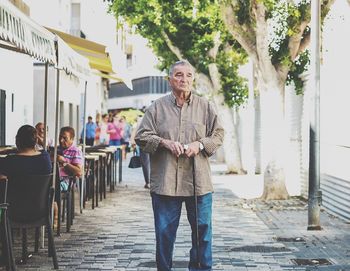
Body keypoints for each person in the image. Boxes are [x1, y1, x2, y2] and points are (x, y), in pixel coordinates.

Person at [135, 60, 224, 271]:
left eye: (189, 75)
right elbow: (141, 136)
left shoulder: (206, 106)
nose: (184, 79)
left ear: (193, 79)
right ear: (169, 80)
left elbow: (218, 134)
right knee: (164, 236)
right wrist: (164, 143)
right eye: (178, 75)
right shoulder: (157, 108)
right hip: (166, 183)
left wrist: (200, 144)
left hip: (198, 183)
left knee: (203, 234)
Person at [56, 126, 83, 191]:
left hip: (65, 182)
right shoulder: (55, 149)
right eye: (60, 137)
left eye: (65, 138)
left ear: (72, 139)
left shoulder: (76, 151)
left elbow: (79, 172)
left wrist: (64, 162)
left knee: (49, 189)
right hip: (52, 179)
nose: (61, 140)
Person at [130, 114, 150, 189]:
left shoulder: (140, 120)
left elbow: (134, 132)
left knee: (145, 163)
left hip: (144, 143)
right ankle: (150, 182)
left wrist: (133, 142)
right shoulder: (156, 118)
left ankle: (148, 182)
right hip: (152, 143)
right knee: (151, 163)